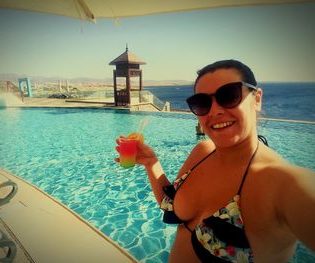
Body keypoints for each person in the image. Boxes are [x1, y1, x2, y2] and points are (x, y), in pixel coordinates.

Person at [115, 59, 315, 263]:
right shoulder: (202, 152)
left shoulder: (283, 183)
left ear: (257, 99)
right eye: (202, 102)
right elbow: (172, 205)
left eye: (229, 95)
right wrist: (151, 164)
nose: (214, 111)